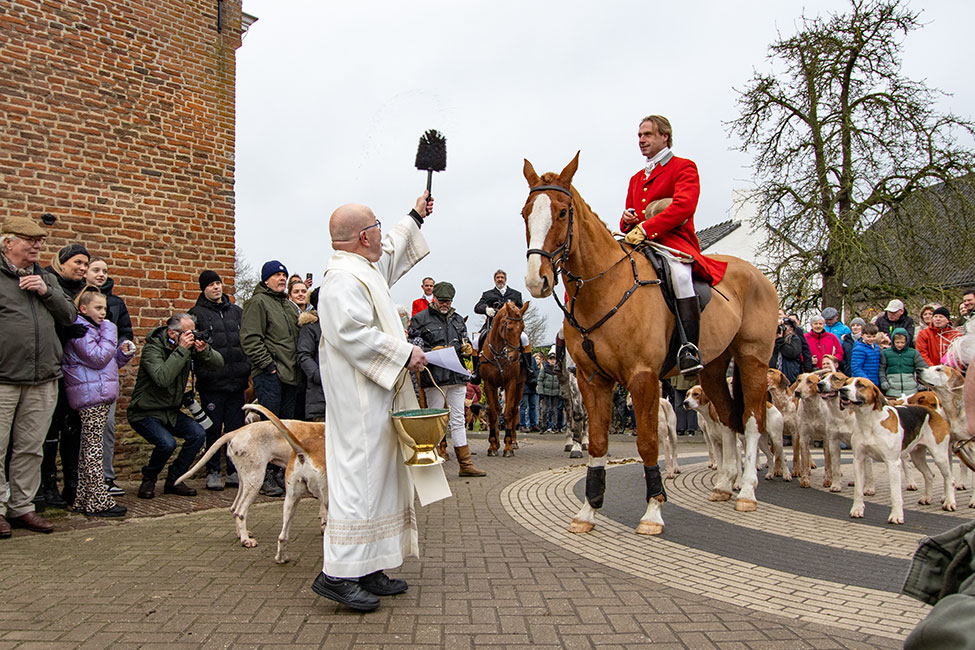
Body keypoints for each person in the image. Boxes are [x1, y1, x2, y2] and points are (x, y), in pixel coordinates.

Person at [313, 191, 434, 612]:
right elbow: (351, 333)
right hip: (360, 404)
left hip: (379, 397)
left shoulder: (363, 267)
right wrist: (405, 353)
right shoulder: (341, 281)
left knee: (382, 479)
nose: (383, 232)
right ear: (364, 236)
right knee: (358, 481)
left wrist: (415, 215)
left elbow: (394, 248)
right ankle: (337, 574)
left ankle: (369, 566)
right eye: (377, 225)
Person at [619, 115, 728, 374]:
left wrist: (646, 227)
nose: (641, 140)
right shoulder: (636, 178)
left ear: (664, 136)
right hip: (639, 241)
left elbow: (683, 207)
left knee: (679, 275)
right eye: (639, 136)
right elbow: (629, 216)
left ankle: (689, 347)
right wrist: (628, 219)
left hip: (673, 241)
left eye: (647, 135)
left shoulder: (683, 167)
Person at [0, 216, 76, 538]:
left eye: (40, 241)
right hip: (3, 376)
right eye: (29, 239)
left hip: (43, 378)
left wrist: (47, 291)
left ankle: (22, 507)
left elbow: (70, 315)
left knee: (31, 447)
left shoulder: (45, 277)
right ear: (7, 243)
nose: (37, 245)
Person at [127, 313, 224, 499]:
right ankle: (149, 479)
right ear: (172, 334)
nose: (192, 336)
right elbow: (162, 378)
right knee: (167, 443)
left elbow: (218, 363)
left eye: (193, 332)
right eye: (188, 333)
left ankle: (175, 479)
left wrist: (204, 351)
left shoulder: (186, 348)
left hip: (170, 411)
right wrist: (182, 350)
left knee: (197, 434)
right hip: (145, 412)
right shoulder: (152, 349)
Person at [61, 286, 135, 517]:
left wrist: (123, 353)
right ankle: (99, 500)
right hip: (89, 396)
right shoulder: (83, 330)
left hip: (99, 392)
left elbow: (109, 363)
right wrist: (111, 330)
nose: (104, 312)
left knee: (89, 449)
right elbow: (97, 357)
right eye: (98, 308)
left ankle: (85, 499)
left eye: (105, 308)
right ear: (83, 308)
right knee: (93, 449)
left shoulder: (96, 329)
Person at [407, 281, 485, 477]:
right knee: (434, 420)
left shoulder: (459, 320)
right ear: (435, 299)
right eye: (442, 301)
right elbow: (411, 346)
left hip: (456, 375)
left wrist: (467, 350)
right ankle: (431, 461)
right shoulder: (420, 319)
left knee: (458, 419)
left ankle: (465, 464)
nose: (445, 304)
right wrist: (429, 351)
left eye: (448, 301)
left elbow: (464, 343)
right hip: (434, 376)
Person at [241, 260, 300, 497]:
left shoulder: (287, 305)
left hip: (291, 376)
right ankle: (263, 476)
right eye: (276, 275)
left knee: (284, 429)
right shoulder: (257, 303)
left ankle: (281, 474)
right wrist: (269, 367)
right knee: (267, 429)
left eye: (284, 275)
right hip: (270, 376)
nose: (281, 279)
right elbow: (250, 339)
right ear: (266, 280)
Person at [189, 270, 251, 491]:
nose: (216, 287)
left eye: (218, 283)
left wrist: (247, 367)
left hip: (237, 381)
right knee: (213, 429)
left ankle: (234, 470)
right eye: (211, 285)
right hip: (212, 384)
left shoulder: (236, 312)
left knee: (236, 430)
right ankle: (213, 471)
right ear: (203, 289)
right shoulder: (195, 314)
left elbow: (246, 340)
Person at [39, 242, 90, 508]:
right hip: (52, 368)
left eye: (85, 264)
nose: (82, 268)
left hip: (78, 372)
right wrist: (65, 332)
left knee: (73, 428)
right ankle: (47, 485)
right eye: (77, 263)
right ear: (62, 262)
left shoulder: (85, 291)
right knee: (50, 429)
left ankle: (72, 484)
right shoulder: (51, 284)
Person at [85, 256, 133, 497]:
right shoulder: (76, 300)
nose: (101, 274)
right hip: (80, 375)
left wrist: (124, 346)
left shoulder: (116, 304)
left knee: (107, 427)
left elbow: (125, 333)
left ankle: (106, 476)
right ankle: (81, 481)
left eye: (104, 270)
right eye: (96, 270)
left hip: (107, 374)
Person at [471, 269, 533, 383]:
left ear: (505, 279)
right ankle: (476, 372)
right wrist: (486, 309)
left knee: (524, 338)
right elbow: (477, 307)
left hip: (511, 327)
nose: (500, 279)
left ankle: (529, 369)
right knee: (475, 341)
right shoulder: (488, 294)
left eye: (502, 277)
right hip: (492, 327)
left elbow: (520, 311)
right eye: (498, 278)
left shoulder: (515, 294)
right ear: (495, 280)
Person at [296, 287, 325, 422]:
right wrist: (318, 376)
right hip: (319, 395)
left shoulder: (340, 326)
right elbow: (304, 355)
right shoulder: (311, 328)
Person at [879, 328, 927, 398]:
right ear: (893, 341)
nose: (900, 345)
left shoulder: (913, 353)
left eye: (902, 343)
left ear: (906, 342)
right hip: (892, 390)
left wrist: (922, 383)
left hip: (911, 390)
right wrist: (883, 381)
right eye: (897, 342)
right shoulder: (885, 353)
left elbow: (923, 368)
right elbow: (881, 370)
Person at [769, 318, 802, 383]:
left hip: (789, 377)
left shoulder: (795, 340)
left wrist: (780, 341)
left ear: (791, 330)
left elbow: (791, 353)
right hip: (774, 377)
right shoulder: (774, 340)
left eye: (784, 328)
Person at [537, 351, 562, 432]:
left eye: (554, 359)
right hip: (545, 392)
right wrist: (540, 391)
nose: (552, 361)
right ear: (548, 360)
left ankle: (554, 426)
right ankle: (544, 426)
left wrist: (560, 392)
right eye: (551, 359)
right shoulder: (544, 369)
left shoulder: (559, 369)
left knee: (555, 410)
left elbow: (561, 381)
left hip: (555, 392)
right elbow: (540, 380)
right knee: (545, 410)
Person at [519, 352, 540, 433]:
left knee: (533, 406)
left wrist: (535, 380)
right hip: (524, 386)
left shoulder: (532, 359)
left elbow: (536, 370)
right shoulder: (519, 358)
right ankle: (522, 425)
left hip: (532, 386)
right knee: (523, 406)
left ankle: (533, 425)